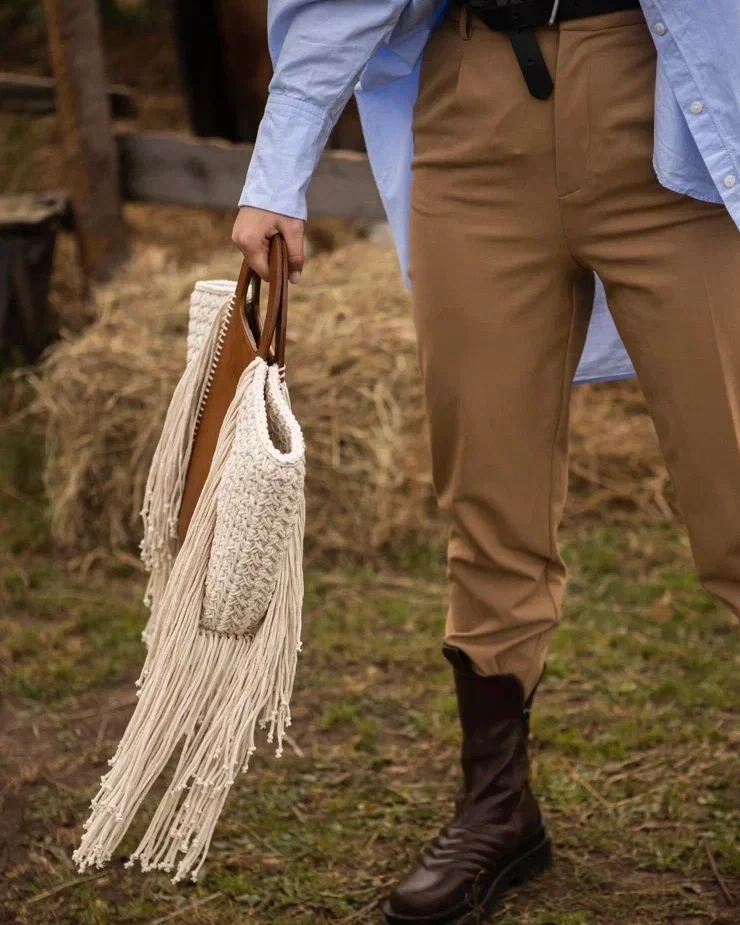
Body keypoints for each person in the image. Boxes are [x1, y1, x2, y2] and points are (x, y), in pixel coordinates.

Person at [232, 1, 740, 922]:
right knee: (486, 487)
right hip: (472, 106)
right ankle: (499, 808)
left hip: (669, 98)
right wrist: (278, 169)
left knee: (736, 488)